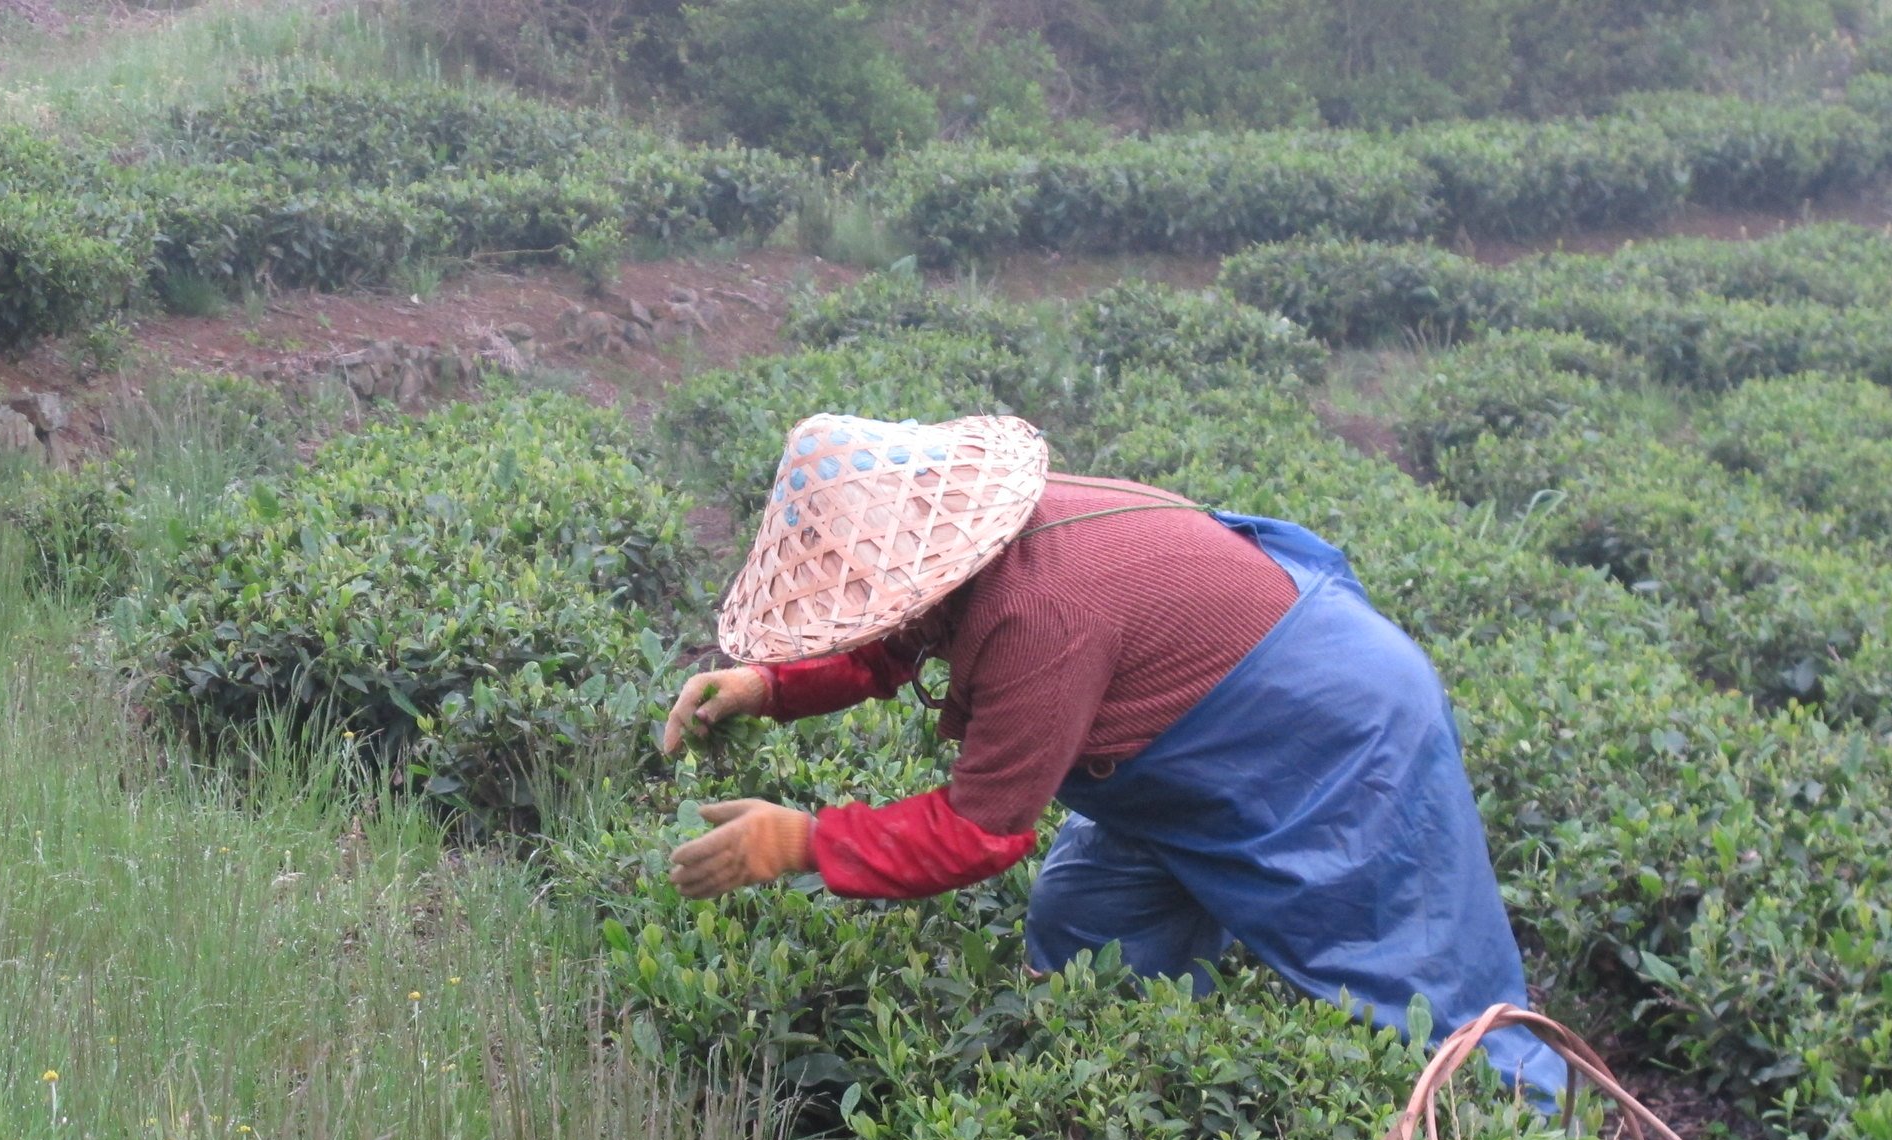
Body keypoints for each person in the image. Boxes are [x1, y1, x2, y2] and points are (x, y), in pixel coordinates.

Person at [659, 412, 1565, 1103]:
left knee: (1415, 993)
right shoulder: (971, 554)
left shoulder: (1039, 612)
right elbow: (891, 637)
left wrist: (804, 843)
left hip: (1334, 739)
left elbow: (978, 830)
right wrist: (767, 687)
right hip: (1176, 752)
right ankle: (1147, 1109)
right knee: (1090, 923)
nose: (871, 607)